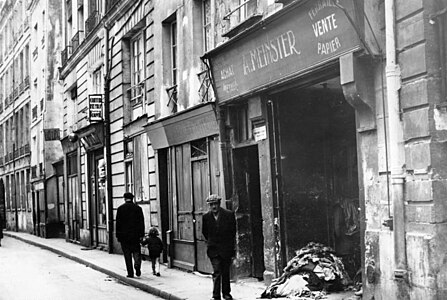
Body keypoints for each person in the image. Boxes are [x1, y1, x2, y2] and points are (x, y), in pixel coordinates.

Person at [202, 194, 236, 300]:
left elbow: (232, 231)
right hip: (213, 250)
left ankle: (226, 293)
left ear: (219, 204)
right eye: (211, 205)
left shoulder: (229, 215)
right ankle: (216, 295)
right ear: (209, 206)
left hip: (226, 248)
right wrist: (212, 242)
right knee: (217, 271)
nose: (213, 207)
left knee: (225, 272)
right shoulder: (206, 217)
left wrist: (230, 246)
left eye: (215, 204)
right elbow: (205, 232)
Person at [116, 192, 145, 278]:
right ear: (132, 198)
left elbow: (118, 224)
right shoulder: (138, 208)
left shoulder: (120, 209)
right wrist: (141, 234)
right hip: (135, 236)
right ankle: (137, 264)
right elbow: (141, 223)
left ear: (124, 198)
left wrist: (118, 236)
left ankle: (130, 273)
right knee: (136, 252)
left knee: (127, 255)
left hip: (124, 236)